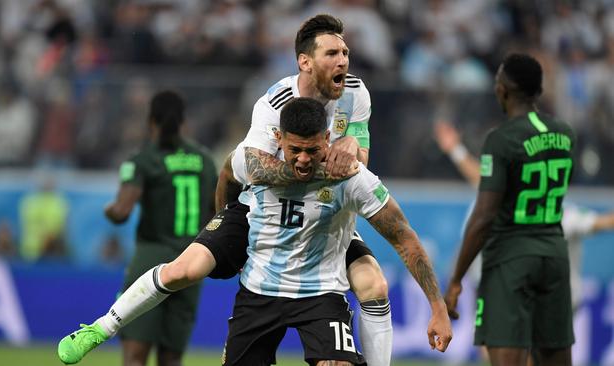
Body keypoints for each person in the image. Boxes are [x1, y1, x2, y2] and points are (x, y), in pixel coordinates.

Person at [58, 14, 392, 365]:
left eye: (345, 52)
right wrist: (225, 215)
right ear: (305, 62)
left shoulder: (355, 92)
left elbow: (360, 162)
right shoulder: (273, 105)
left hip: (324, 217)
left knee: (375, 286)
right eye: (332, 53)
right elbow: (239, 166)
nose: (343, 61)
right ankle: (101, 326)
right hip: (262, 211)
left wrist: (352, 149)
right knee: (184, 270)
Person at [223, 97, 452, 365]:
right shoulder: (254, 161)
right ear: (278, 138)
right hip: (259, 291)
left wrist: (438, 308)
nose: (304, 160)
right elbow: (227, 175)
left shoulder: (350, 177)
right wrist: (229, 234)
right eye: (295, 149)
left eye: (313, 150)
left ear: (327, 138)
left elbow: (403, 237)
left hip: (320, 293)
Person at [60, 90, 217, 366]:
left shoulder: (141, 160)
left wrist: (108, 208)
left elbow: (121, 213)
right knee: (171, 358)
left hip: (151, 257)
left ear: (151, 121)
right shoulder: (204, 160)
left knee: (135, 354)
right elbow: (216, 211)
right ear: (183, 121)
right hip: (192, 260)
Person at [444, 53, 576, 366]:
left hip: (510, 259)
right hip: (555, 256)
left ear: (503, 89)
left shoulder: (501, 140)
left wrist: (457, 278)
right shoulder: (565, 134)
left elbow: (484, 216)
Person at [434, 120, 614, 309]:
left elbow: (603, 222)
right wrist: (455, 150)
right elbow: (482, 180)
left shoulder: (564, 216)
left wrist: (456, 150)